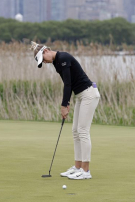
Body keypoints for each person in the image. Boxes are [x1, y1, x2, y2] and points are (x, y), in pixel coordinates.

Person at [30, 41, 101, 180]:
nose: (44, 62)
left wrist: (64, 104)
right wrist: (67, 102)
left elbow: (68, 84)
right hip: (81, 95)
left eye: (43, 59)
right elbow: (68, 84)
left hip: (89, 94)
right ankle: (78, 167)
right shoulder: (57, 62)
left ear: (46, 51)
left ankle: (86, 171)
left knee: (83, 131)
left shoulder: (63, 58)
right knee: (75, 131)